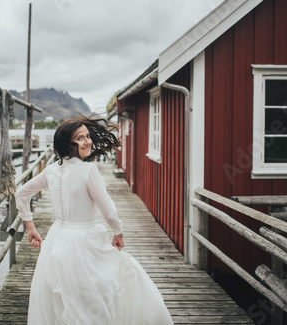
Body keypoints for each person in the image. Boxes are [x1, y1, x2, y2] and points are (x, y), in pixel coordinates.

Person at [16, 115, 174, 324]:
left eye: (87, 136)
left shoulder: (51, 170)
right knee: (110, 285)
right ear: (67, 143)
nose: (88, 141)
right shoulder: (88, 170)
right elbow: (108, 210)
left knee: (63, 296)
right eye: (80, 138)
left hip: (57, 239)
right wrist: (118, 232)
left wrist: (30, 226)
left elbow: (21, 193)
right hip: (86, 241)